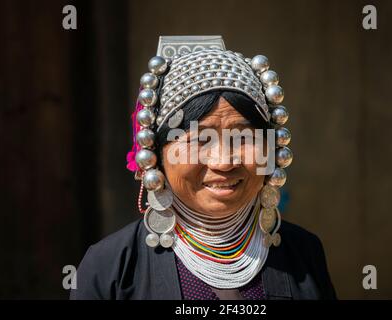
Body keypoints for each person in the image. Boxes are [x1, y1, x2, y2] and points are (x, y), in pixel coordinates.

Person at [70, 35, 336, 300]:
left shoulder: (304, 253)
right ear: (155, 154)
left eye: (243, 137)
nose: (223, 162)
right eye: (200, 140)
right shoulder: (111, 268)